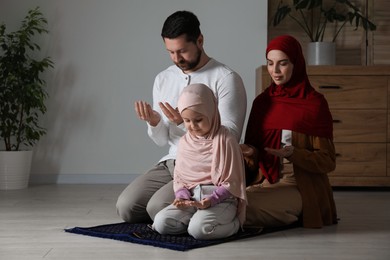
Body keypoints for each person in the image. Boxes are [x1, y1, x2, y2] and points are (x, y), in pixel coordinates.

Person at [116, 10, 247, 223]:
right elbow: (161, 141)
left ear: (200, 40)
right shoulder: (163, 79)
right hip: (173, 160)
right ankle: (178, 215)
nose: (177, 59)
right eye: (171, 52)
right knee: (126, 207)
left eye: (183, 51)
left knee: (156, 207)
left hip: (207, 166)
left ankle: (202, 211)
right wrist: (155, 123)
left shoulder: (225, 78)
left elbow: (231, 135)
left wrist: (185, 122)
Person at [241, 35, 338, 229]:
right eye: (270, 63)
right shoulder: (262, 103)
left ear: (296, 63)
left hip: (299, 185)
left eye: (283, 64)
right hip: (264, 181)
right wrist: (252, 153)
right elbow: (254, 157)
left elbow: (327, 160)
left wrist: (294, 153)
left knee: (240, 209)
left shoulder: (314, 104)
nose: (275, 71)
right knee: (226, 203)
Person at [152, 83, 247, 240]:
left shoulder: (226, 140)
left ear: (211, 112)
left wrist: (211, 200)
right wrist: (182, 197)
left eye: (198, 120)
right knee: (161, 223)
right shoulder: (185, 142)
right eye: (187, 121)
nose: (192, 126)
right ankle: (194, 220)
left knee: (200, 230)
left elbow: (232, 183)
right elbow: (180, 178)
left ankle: (234, 224)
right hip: (192, 199)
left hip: (221, 199)